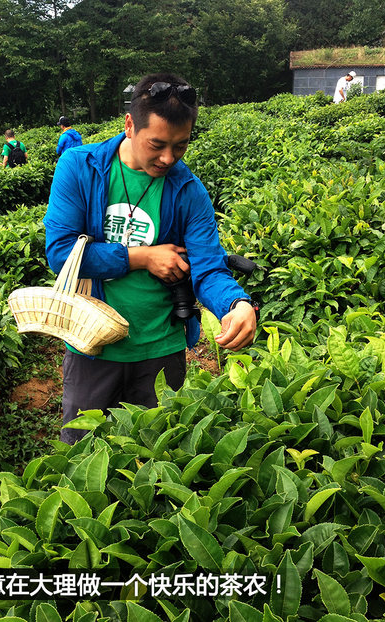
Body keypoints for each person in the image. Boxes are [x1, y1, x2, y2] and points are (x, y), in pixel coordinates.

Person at [44, 72, 258, 445]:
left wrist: (236, 303)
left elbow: (208, 268)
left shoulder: (188, 191)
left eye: (180, 146)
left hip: (160, 348)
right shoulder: (81, 167)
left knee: (155, 457)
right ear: (129, 125)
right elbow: (61, 253)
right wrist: (141, 258)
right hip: (92, 343)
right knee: (79, 451)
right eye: (157, 144)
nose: (167, 158)